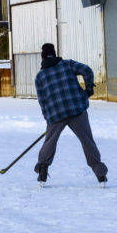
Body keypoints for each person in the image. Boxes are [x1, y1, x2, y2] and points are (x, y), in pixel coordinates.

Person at [34, 43, 108, 187]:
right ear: (54, 54)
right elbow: (86, 70)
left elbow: (42, 100)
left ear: (42, 57)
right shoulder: (67, 65)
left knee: (49, 142)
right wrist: (88, 89)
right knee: (87, 141)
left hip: (56, 115)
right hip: (77, 109)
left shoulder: (40, 76)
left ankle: (42, 170)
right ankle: (100, 174)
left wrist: (48, 118)